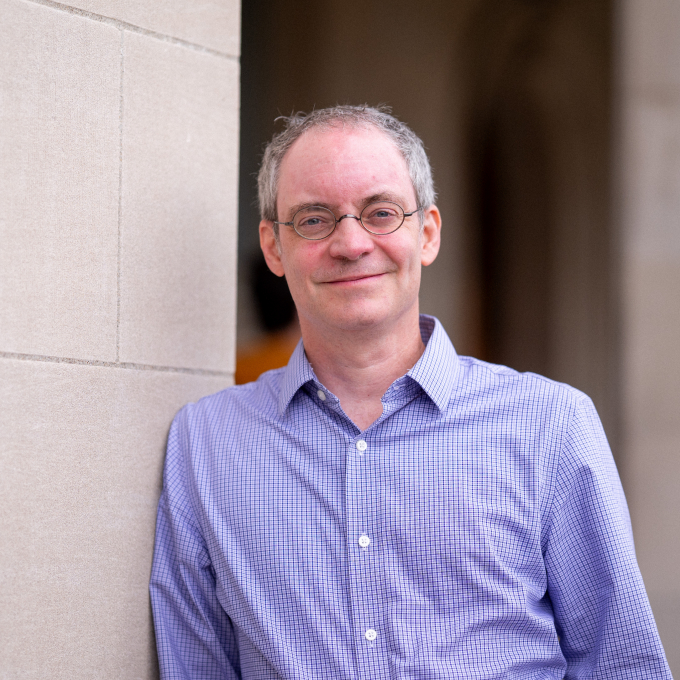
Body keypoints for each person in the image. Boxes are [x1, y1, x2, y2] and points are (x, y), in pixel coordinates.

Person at [150, 105, 671, 679]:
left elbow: (622, 665)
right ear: (274, 247)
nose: (351, 243)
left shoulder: (551, 425)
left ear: (426, 233)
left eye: (380, 213)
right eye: (315, 219)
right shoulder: (205, 443)